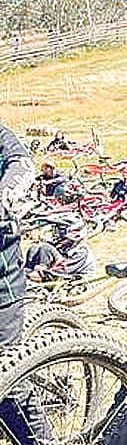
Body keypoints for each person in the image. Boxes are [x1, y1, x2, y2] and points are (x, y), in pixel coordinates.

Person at [0, 124, 34, 348]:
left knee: (6, 362)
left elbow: (22, 165)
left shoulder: (2, 137)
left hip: (4, 286)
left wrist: (4, 195)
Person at [25, 214, 98, 282]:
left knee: (46, 248)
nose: (57, 233)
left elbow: (64, 269)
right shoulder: (65, 246)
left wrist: (43, 273)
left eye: (61, 231)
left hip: (75, 278)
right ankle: (27, 271)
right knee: (34, 248)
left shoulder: (82, 250)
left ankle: (37, 277)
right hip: (60, 272)